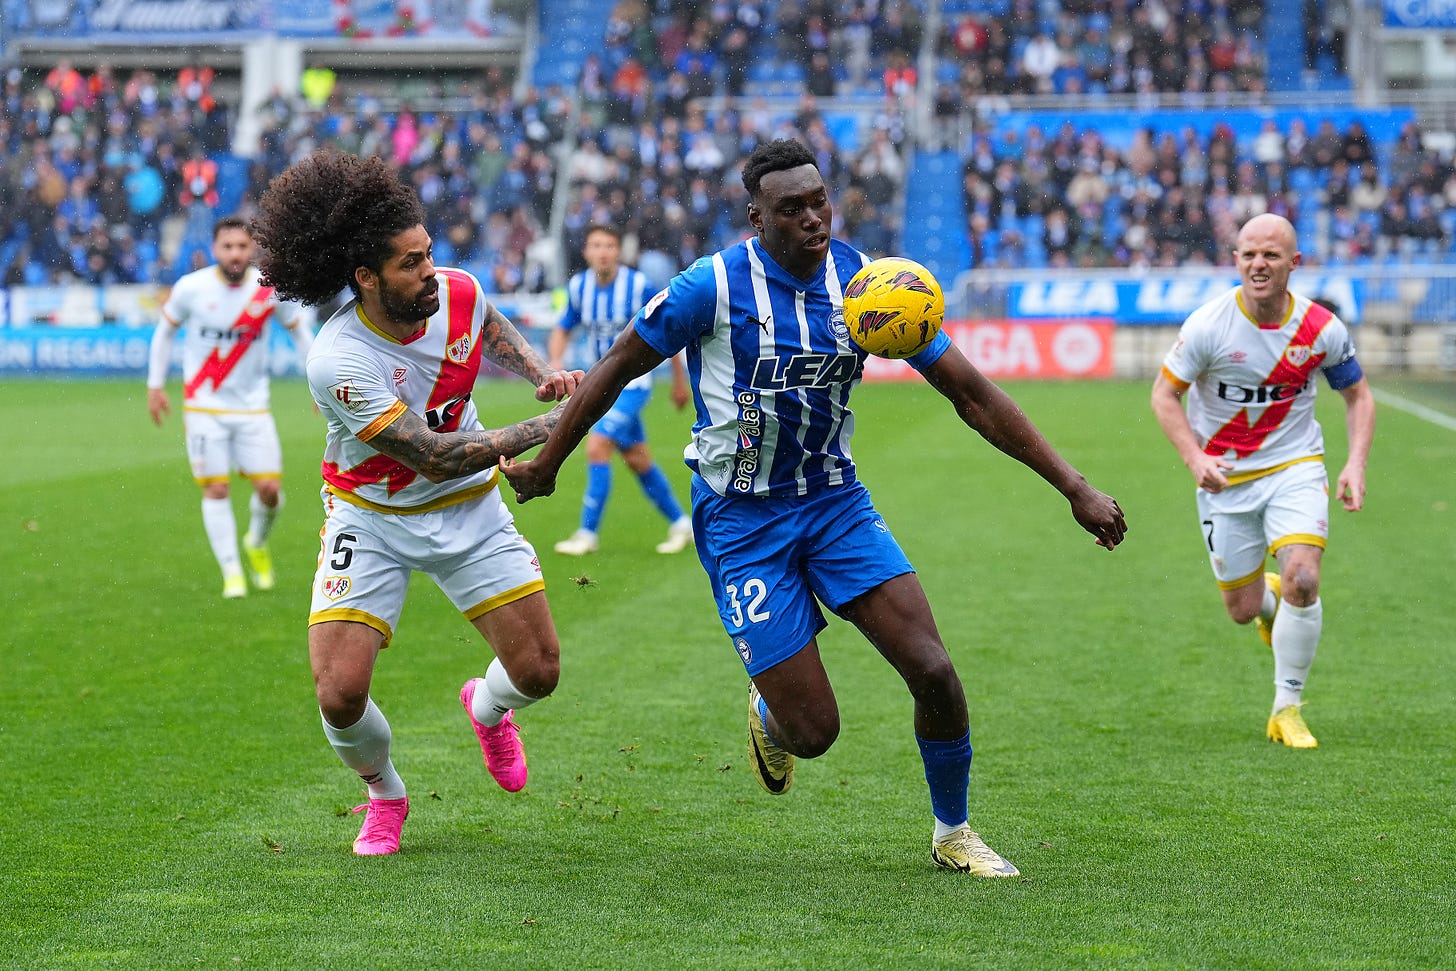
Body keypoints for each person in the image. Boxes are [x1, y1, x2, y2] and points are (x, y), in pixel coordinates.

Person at [500, 139, 1127, 876]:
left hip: (835, 503)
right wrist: (549, 462)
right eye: (791, 209)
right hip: (741, 520)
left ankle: (952, 831)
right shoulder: (712, 286)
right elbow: (612, 366)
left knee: (934, 670)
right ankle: (770, 708)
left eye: (820, 201)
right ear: (755, 216)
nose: (813, 219)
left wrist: (1074, 485)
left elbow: (971, 392)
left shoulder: (866, 286)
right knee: (814, 731)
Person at [250, 150, 583, 856]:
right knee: (339, 691)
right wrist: (562, 421)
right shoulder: (339, 359)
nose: (429, 271)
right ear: (365, 277)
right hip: (370, 517)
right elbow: (432, 453)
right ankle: (385, 793)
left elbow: (488, 323)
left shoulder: (454, 290)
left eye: (428, 253)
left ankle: (486, 707)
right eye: (410, 263)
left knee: (540, 673)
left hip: (469, 509)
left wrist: (543, 372)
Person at [1150, 213, 1374, 749]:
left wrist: (1355, 463)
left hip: (1295, 468)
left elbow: (1358, 395)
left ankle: (1286, 707)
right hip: (1224, 480)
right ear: (1235, 259)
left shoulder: (1322, 329)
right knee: (1242, 610)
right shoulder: (1208, 326)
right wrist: (1195, 459)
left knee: (1303, 576)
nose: (1258, 264)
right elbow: (1163, 396)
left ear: (1293, 264)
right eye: (1249, 253)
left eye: (1270, 255)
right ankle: (1268, 604)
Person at [146, 215, 315, 599]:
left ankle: (255, 541)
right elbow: (164, 333)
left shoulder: (268, 288)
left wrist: (319, 383)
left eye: (242, 246)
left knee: (270, 490)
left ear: (252, 247)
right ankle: (232, 574)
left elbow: (300, 333)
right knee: (216, 489)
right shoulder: (191, 287)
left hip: (253, 407)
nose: (235, 254)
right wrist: (155, 386)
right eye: (228, 247)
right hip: (204, 406)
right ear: (214, 249)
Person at [549, 223, 694, 556]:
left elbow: (667, 327)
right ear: (586, 251)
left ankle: (587, 533)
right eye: (596, 245)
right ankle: (680, 523)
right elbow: (563, 327)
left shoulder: (638, 285)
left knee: (597, 446)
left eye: (609, 246)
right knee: (637, 459)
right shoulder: (578, 287)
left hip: (633, 384)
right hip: (599, 385)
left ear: (618, 252)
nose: (603, 252)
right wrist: (555, 363)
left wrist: (678, 380)